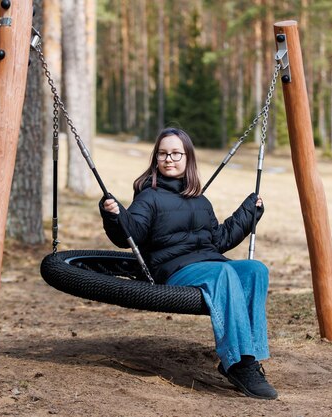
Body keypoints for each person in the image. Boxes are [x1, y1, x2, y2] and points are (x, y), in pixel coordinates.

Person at [99, 127, 278, 400]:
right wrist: (114, 215)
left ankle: (250, 358)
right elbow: (130, 234)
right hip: (175, 270)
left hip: (210, 263)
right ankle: (237, 363)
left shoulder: (200, 200)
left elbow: (219, 240)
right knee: (225, 273)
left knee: (255, 270)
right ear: (156, 159)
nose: (168, 159)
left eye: (175, 153)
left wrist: (249, 212)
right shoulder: (150, 197)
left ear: (188, 158)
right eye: (162, 153)